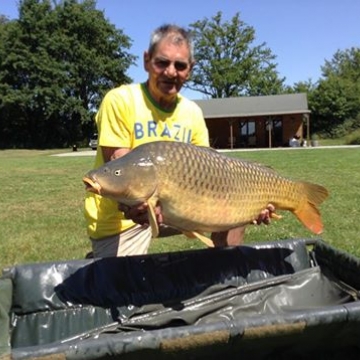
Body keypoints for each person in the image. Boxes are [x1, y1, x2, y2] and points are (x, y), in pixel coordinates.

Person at [84, 24, 273, 258]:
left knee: (236, 210)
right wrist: (137, 202)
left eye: (180, 65)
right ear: (147, 60)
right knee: (122, 291)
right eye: (162, 62)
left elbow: (210, 170)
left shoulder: (192, 112)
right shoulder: (119, 100)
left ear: (190, 70)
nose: (171, 72)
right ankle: (102, 261)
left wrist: (252, 206)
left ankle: (224, 276)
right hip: (122, 220)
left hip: (178, 208)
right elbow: (120, 161)